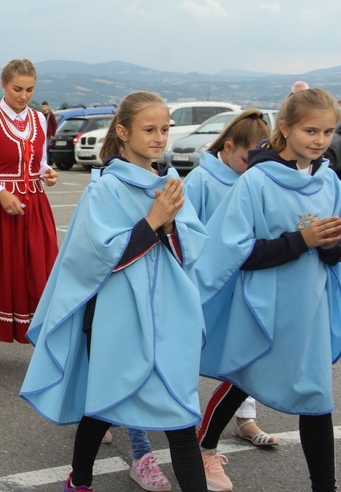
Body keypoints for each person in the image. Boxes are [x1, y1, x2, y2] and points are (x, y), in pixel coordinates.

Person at [20, 91, 209, 491]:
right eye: (149, 129)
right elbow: (96, 259)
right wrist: (154, 221)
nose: (159, 137)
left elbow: (192, 249)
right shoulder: (105, 189)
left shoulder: (170, 184)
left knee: (180, 418)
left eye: (164, 129)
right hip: (120, 317)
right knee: (104, 404)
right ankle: (81, 480)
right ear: (122, 132)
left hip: (170, 316)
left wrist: (173, 226)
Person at [193, 88, 341, 492]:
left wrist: (329, 246)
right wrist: (302, 241)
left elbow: (333, 253)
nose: (320, 140)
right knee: (245, 374)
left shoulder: (329, 181)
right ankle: (204, 447)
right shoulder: (256, 180)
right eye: (311, 130)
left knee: (316, 396)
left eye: (328, 131)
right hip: (265, 306)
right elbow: (236, 252)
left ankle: (324, 486)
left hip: (309, 307)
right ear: (285, 128)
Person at [181, 110, 278, 472]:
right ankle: (178, 422)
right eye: (244, 158)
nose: (249, 165)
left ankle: (243, 419)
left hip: (241, 282)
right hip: (206, 285)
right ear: (227, 147)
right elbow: (186, 232)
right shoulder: (202, 180)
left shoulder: (253, 179)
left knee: (242, 352)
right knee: (192, 354)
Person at [0, 59, 58, 367]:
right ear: (3, 85)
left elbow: (40, 161)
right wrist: (1, 193)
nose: (23, 95)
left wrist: (48, 172)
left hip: (33, 204)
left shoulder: (38, 119)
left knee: (37, 270)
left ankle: (39, 338)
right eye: (17, 89)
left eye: (29, 89)